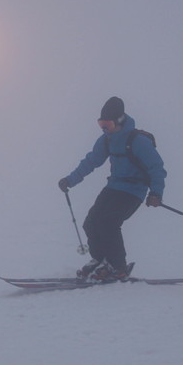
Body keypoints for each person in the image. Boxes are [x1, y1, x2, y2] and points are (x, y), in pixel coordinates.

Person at [58, 97, 166, 281]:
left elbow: (157, 168)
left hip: (134, 191)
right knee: (91, 222)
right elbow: (91, 161)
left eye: (107, 123)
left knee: (109, 223)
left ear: (119, 121)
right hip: (114, 186)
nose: (103, 128)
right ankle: (100, 260)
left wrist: (156, 193)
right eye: (101, 123)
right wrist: (70, 180)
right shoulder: (106, 140)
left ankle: (118, 266)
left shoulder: (138, 141)